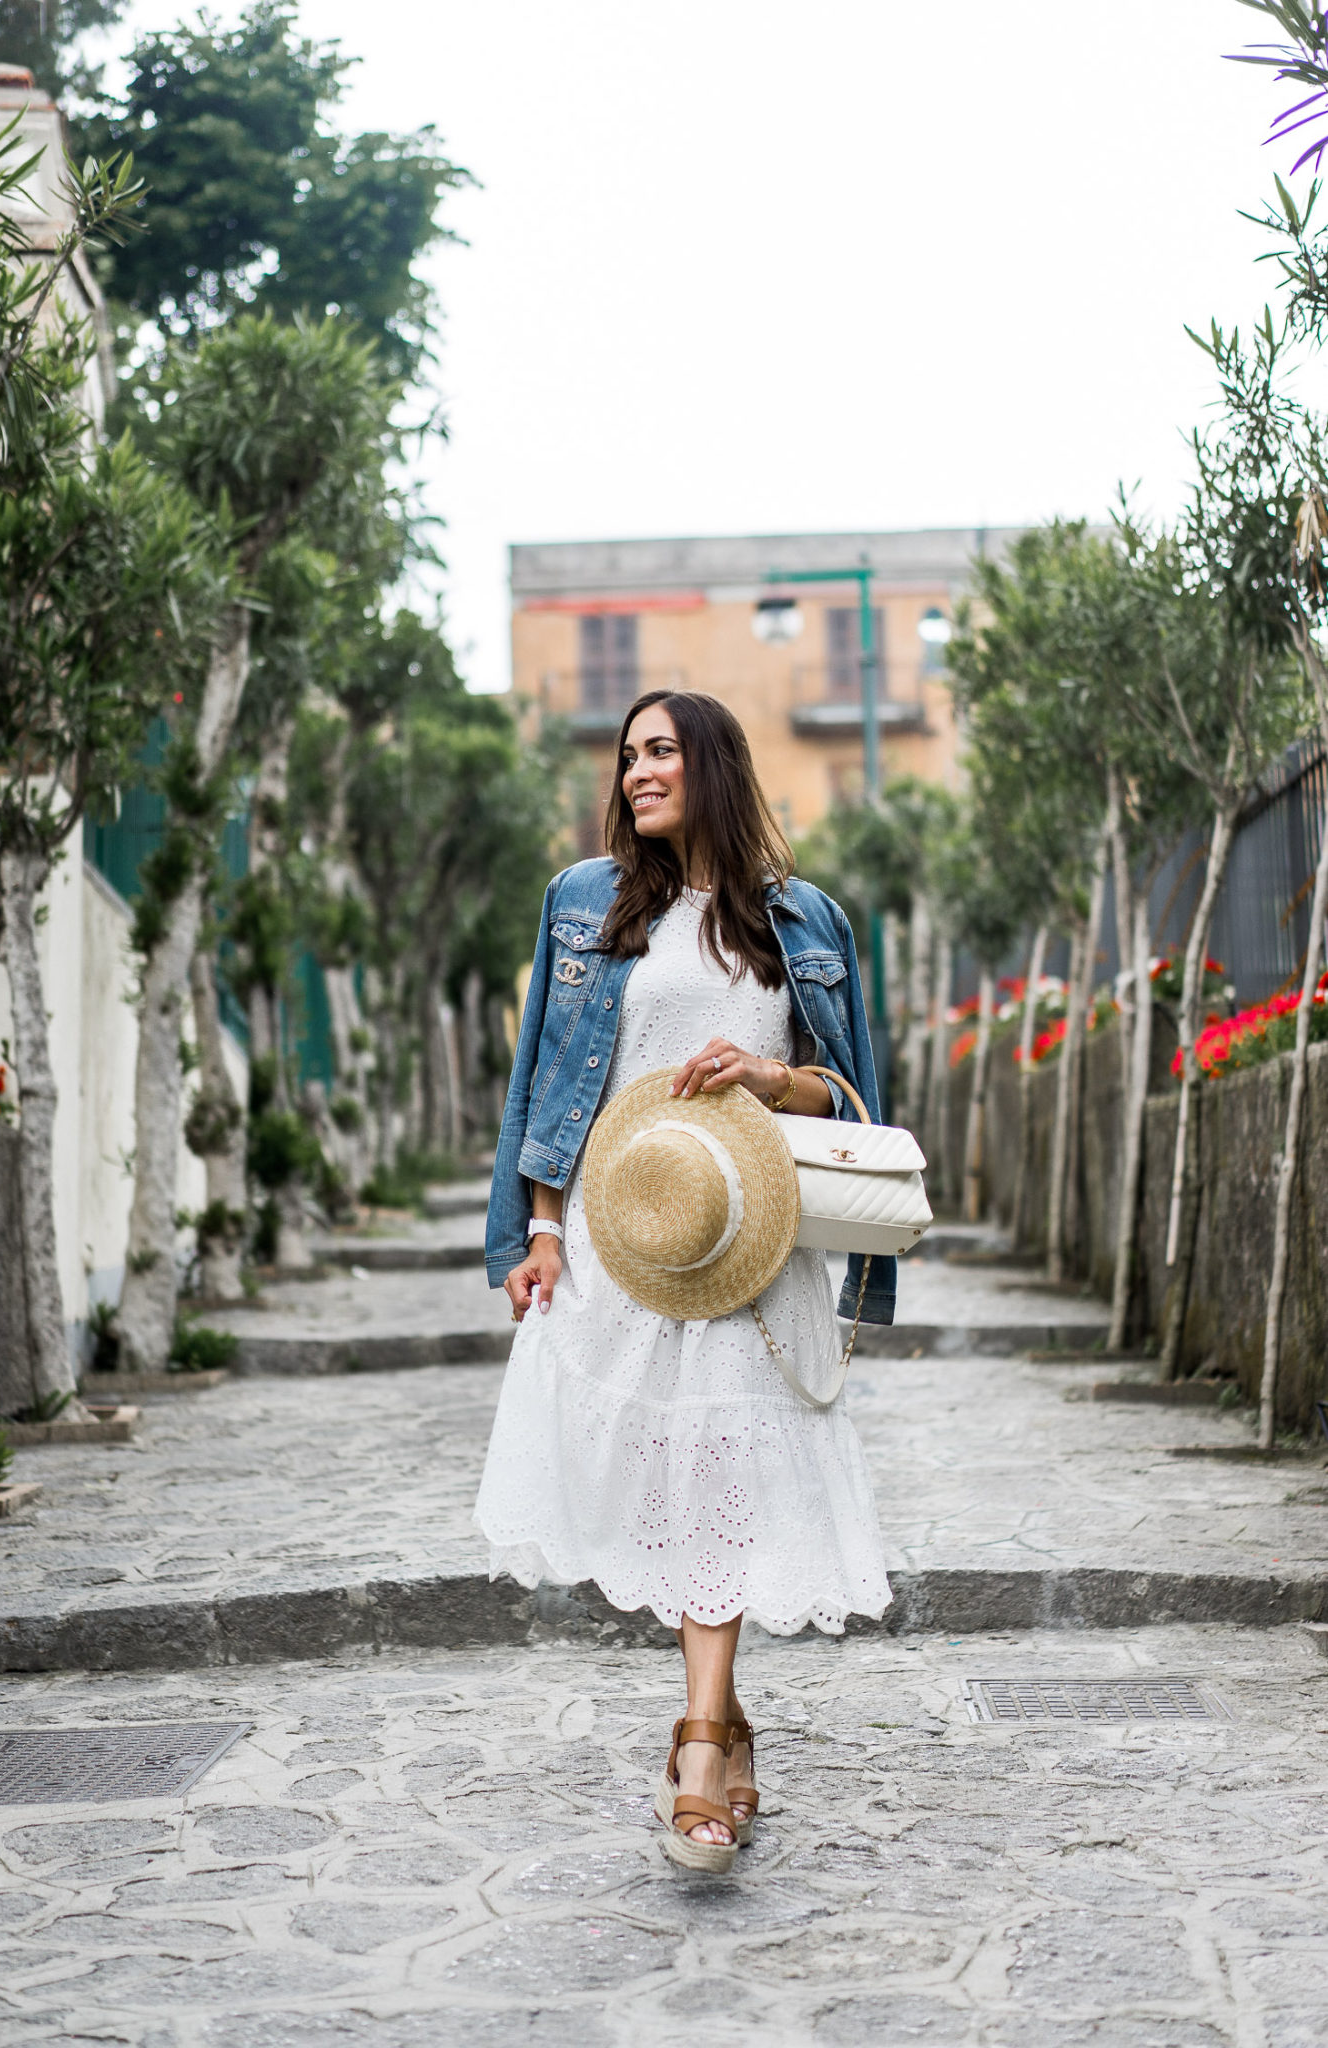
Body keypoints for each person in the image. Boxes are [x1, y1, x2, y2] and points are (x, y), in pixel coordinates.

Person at [476, 688, 894, 1872]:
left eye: (660, 751)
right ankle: (726, 1721)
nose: (636, 771)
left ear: (711, 763)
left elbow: (847, 1085)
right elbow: (544, 1075)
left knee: (725, 1481)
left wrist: (768, 1073)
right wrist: (536, 1230)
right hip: (628, 1236)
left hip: (755, 1243)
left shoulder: (804, 918)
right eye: (628, 756)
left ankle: (701, 1745)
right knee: (670, 1479)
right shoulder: (585, 901)